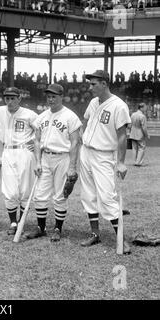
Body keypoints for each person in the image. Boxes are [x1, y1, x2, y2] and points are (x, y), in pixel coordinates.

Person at [80, 70, 131, 254]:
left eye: (94, 84)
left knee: (107, 197)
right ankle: (95, 234)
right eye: (90, 83)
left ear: (104, 83)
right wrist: (83, 138)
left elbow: (122, 135)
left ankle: (121, 239)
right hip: (86, 151)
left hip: (104, 155)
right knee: (88, 195)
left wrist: (122, 162)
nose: (90, 87)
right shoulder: (94, 102)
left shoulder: (119, 106)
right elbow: (86, 120)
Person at [25, 84, 82, 242]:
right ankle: (41, 228)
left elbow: (75, 142)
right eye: (48, 96)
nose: (50, 99)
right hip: (45, 157)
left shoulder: (70, 116)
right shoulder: (41, 116)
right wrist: (37, 162)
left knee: (60, 196)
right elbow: (36, 141)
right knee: (40, 195)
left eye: (54, 96)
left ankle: (58, 228)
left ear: (61, 96)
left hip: (62, 157)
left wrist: (72, 167)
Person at [0, 87, 38, 235]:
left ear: (19, 98)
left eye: (12, 98)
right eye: (7, 98)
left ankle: (22, 220)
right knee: (9, 191)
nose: (9, 101)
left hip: (25, 152)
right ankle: (13, 222)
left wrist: (35, 141)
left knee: (24, 190)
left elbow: (42, 131)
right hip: (7, 152)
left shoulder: (30, 114)